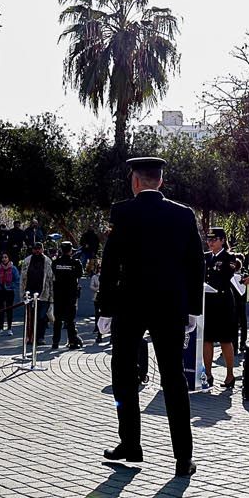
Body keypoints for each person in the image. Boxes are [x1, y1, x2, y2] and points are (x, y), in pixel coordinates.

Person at [97, 156, 204, 477]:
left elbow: (110, 263)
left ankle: (130, 443)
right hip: (169, 307)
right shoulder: (183, 215)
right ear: (160, 181)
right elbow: (195, 265)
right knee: (173, 379)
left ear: (135, 181)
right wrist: (192, 310)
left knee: (123, 376)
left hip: (130, 306)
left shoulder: (123, 212)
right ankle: (183, 458)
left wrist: (105, 308)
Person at [201, 227, 244, 389]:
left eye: (214, 240)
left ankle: (230, 375)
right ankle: (208, 374)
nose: (210, 243)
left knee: (225, 339)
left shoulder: (229, 258)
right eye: (208, 240)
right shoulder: (205, 257)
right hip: (207, 302)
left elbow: (225, 276)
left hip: (223, 302)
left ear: (222, 241)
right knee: (207, 339)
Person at [51, 240, 84, 349]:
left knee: (58, 320)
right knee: (70, 320)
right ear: (70, 251)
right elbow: (80, 274)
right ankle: (72, 341)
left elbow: (54, 272)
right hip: (71, 295)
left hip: (59, 295)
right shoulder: (76, 263)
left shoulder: (55, 263)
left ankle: (55, 342)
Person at [22, 242, 52, 350]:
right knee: (30, 317)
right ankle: (29, 337)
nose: (37, 251)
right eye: (35, 249)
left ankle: (40, 337)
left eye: (39, 249)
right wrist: (23, 294)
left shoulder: (48, 261)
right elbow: (23, 279)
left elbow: (51, 280)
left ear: (43, 249)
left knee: (42, 317)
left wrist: (51, 297)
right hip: (29, 293)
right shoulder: (27, 261)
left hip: (44, 294)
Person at [0, 250, 20, 333]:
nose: (4, 259)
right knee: (0, 310)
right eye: (3, 257)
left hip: (9, 291)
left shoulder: (13, 268)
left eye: (6, 257)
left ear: (9, 258)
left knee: (9, 310)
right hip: (0, 291)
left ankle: (9, 328)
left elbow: (17, 280)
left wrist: (10, 286)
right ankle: (1, 328)